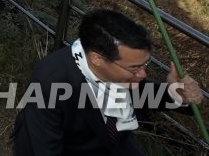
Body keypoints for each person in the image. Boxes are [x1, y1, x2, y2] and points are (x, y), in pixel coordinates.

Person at [13, 8, 203, 155]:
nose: (143, 74)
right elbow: (41, 149)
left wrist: (176, 94)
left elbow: (140, 92)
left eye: (145, 64)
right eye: (135, 67)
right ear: (97, 58)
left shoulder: (115, 69)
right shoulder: (50, 84)